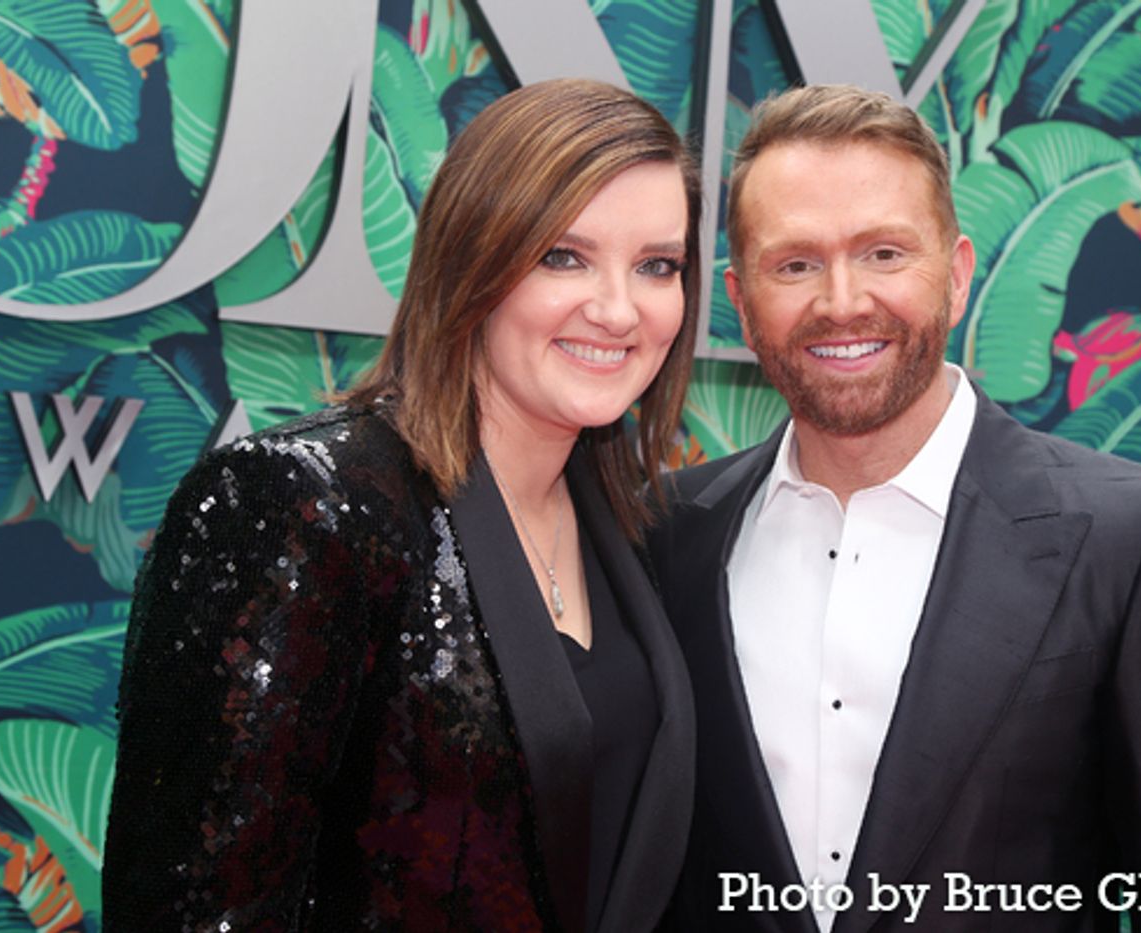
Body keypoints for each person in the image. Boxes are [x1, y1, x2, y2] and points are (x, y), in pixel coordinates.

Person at [648, 84, 1141, 932]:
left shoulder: (1133, 541)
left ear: (959, 274)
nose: (842, 300)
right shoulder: (666, 535)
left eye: (884, 254)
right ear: (742, 300)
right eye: (795, 263)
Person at [104, 78, 700, 932]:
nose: (617, 308)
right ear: (474, 261)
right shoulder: (305, 502)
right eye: (561, 256)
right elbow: (197, 907)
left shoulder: (626, 523)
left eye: (657, 266)